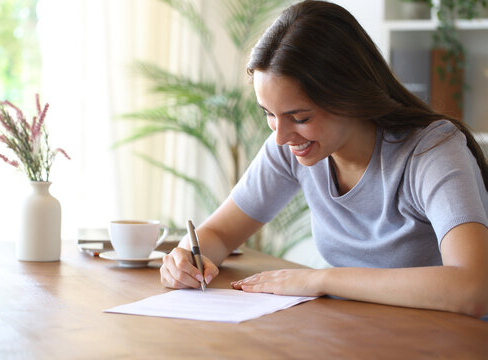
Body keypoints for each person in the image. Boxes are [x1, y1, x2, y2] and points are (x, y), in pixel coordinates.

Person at [160, 0, 488, 319]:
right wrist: (187, 259)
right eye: (269, 114)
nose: (280, 136)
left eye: (300, 117)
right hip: (355, 332)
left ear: (350, 95)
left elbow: (474, 288)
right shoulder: (292, 145)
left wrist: (321, 279)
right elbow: (219, 234)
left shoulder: (432, 151)